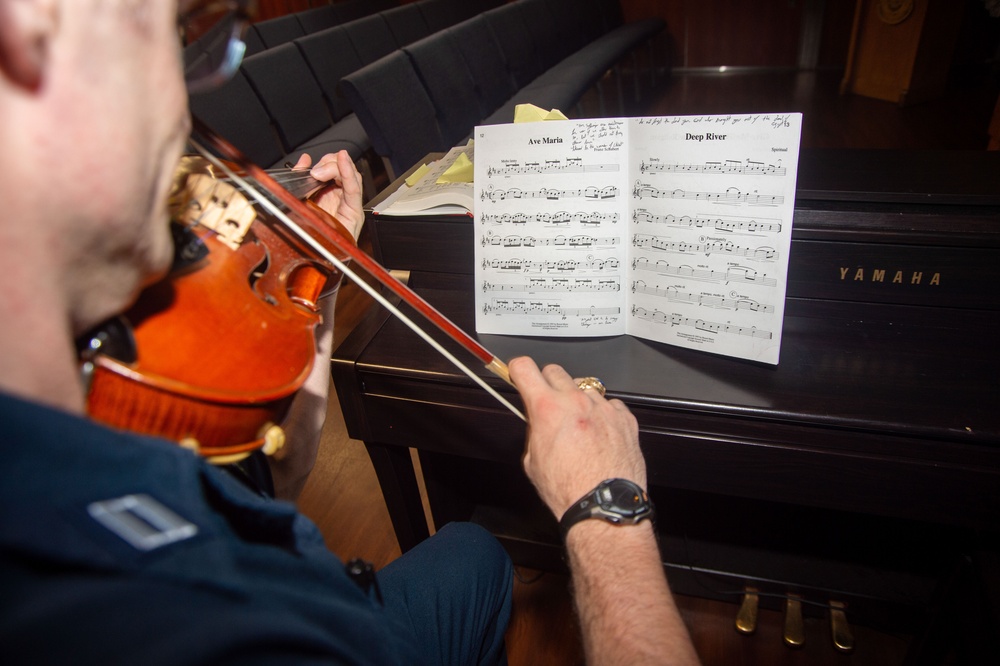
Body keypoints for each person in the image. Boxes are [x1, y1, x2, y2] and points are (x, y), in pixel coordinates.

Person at [0, 1, 698, 664]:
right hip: (342, 624)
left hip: (309, 582)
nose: (188, 119)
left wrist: (315, 274)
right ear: (27, 26)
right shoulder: (163, 611)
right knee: (478, 560)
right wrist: (605, 509)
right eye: (178, 31)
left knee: (472, 556)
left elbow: (274, 479)